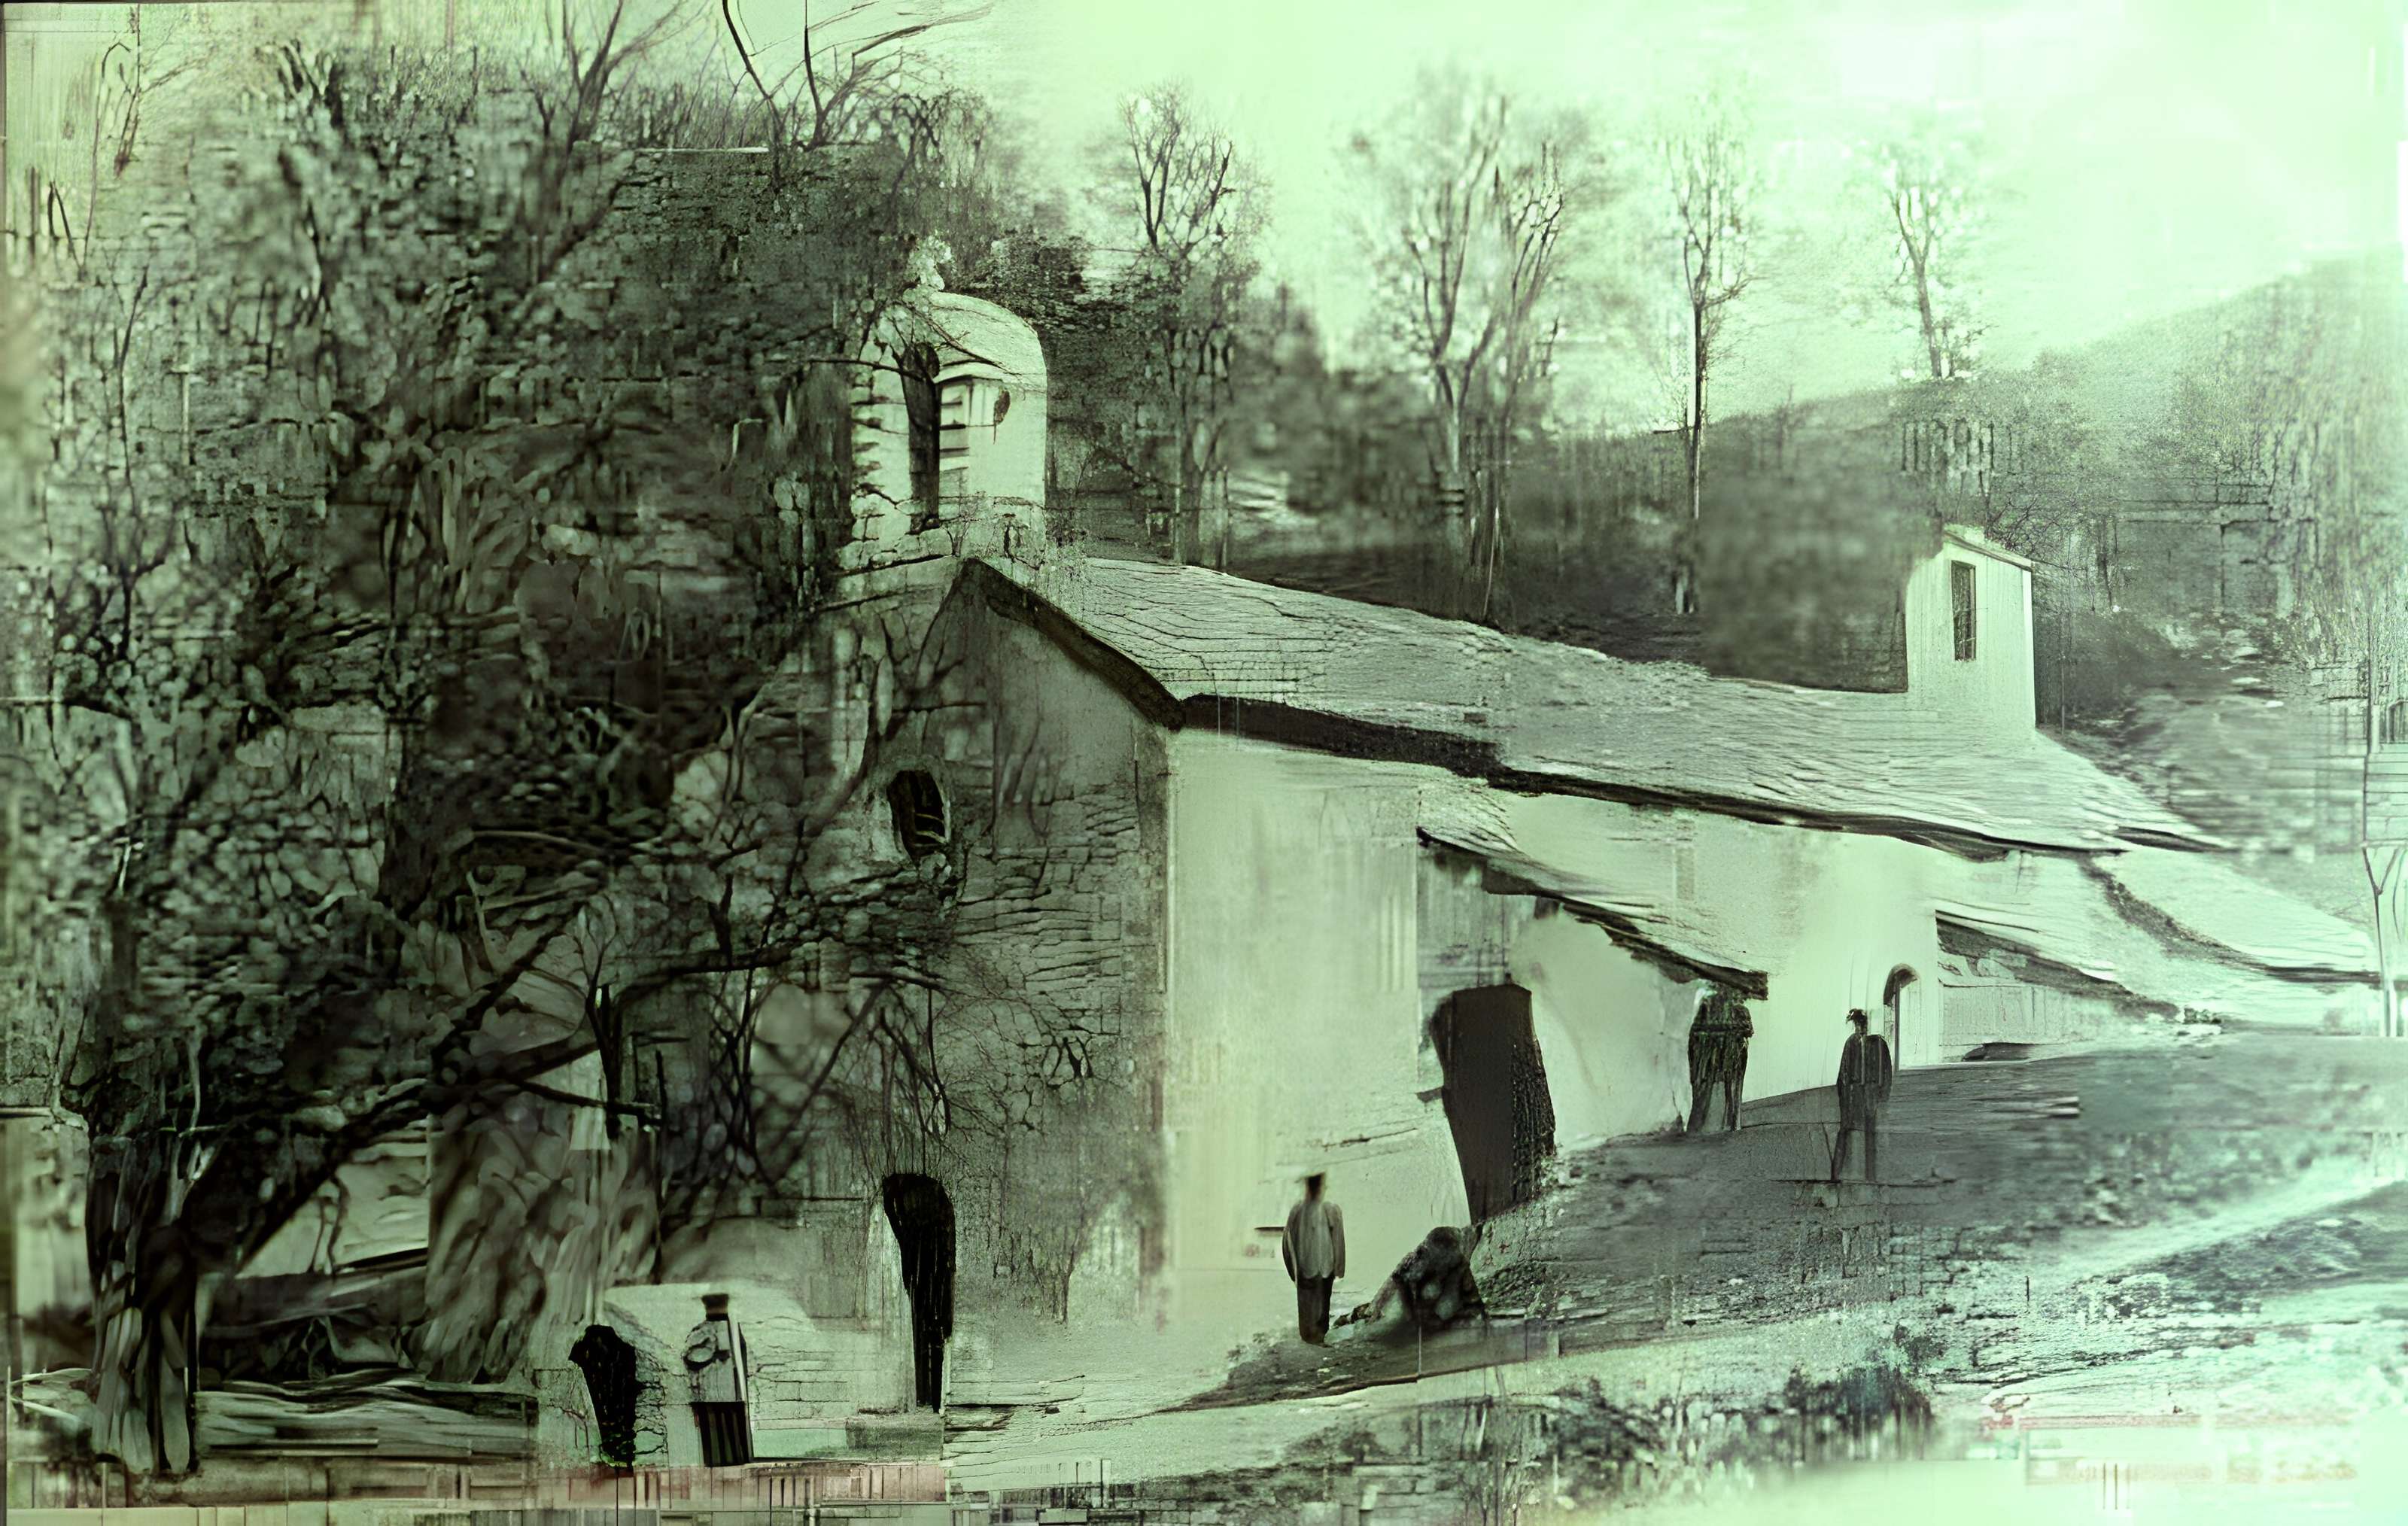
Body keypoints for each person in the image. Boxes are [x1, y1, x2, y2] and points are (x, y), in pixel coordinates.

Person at [1350, 1226, 1485, 1333]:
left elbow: (1470, 1292)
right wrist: (1413, 1317)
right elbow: (1401, 1280)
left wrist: (1476, 1308)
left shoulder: (1456, 1260)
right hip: (1407, 1304)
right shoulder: (1421, 1260)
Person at [683, 1292, 753, 1467]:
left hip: (719, 1394)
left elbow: (690, 1357)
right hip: (719, 1394)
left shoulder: (712, 1332)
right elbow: (690, 1357)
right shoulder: (710, 1332)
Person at [1830, 1008, 1894, 1184]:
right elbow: (1844, 1072)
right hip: (1856, 1093)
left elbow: (1886, 1071)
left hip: (1864, 1094)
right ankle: (1838, 1175)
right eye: (1858, 1024)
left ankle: (1868, 1175)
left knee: (1865, 1134)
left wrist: (1883, 1094)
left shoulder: (1877, 1043)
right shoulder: (1854, 1042)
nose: (1859, 1027)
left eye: (1860, 1024)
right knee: (1850, 1132)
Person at [1281, 1172, 1345, 1345]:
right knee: (1306, 1303)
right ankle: (1309, 1337)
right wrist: (1292, 1269)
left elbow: (1338, 1239)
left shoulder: (1331, 1209)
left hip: (1325, 1266)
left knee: (1323, 1302)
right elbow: (1288, 1241)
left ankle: (1319, 1337)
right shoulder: (1297, 1210)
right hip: (1305, 1267)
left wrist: (1339, 1267)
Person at [1686, 983, 1755, 1134]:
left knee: (1726, 1091)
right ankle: (1717, 1126)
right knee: (1717, 1092)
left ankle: (1724, 1125)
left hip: (1729, 1061)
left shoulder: (1738, 1011)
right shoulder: (1708, 1010)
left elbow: (1748, 1031)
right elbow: (1695, 1036)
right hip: (1714, 1062)